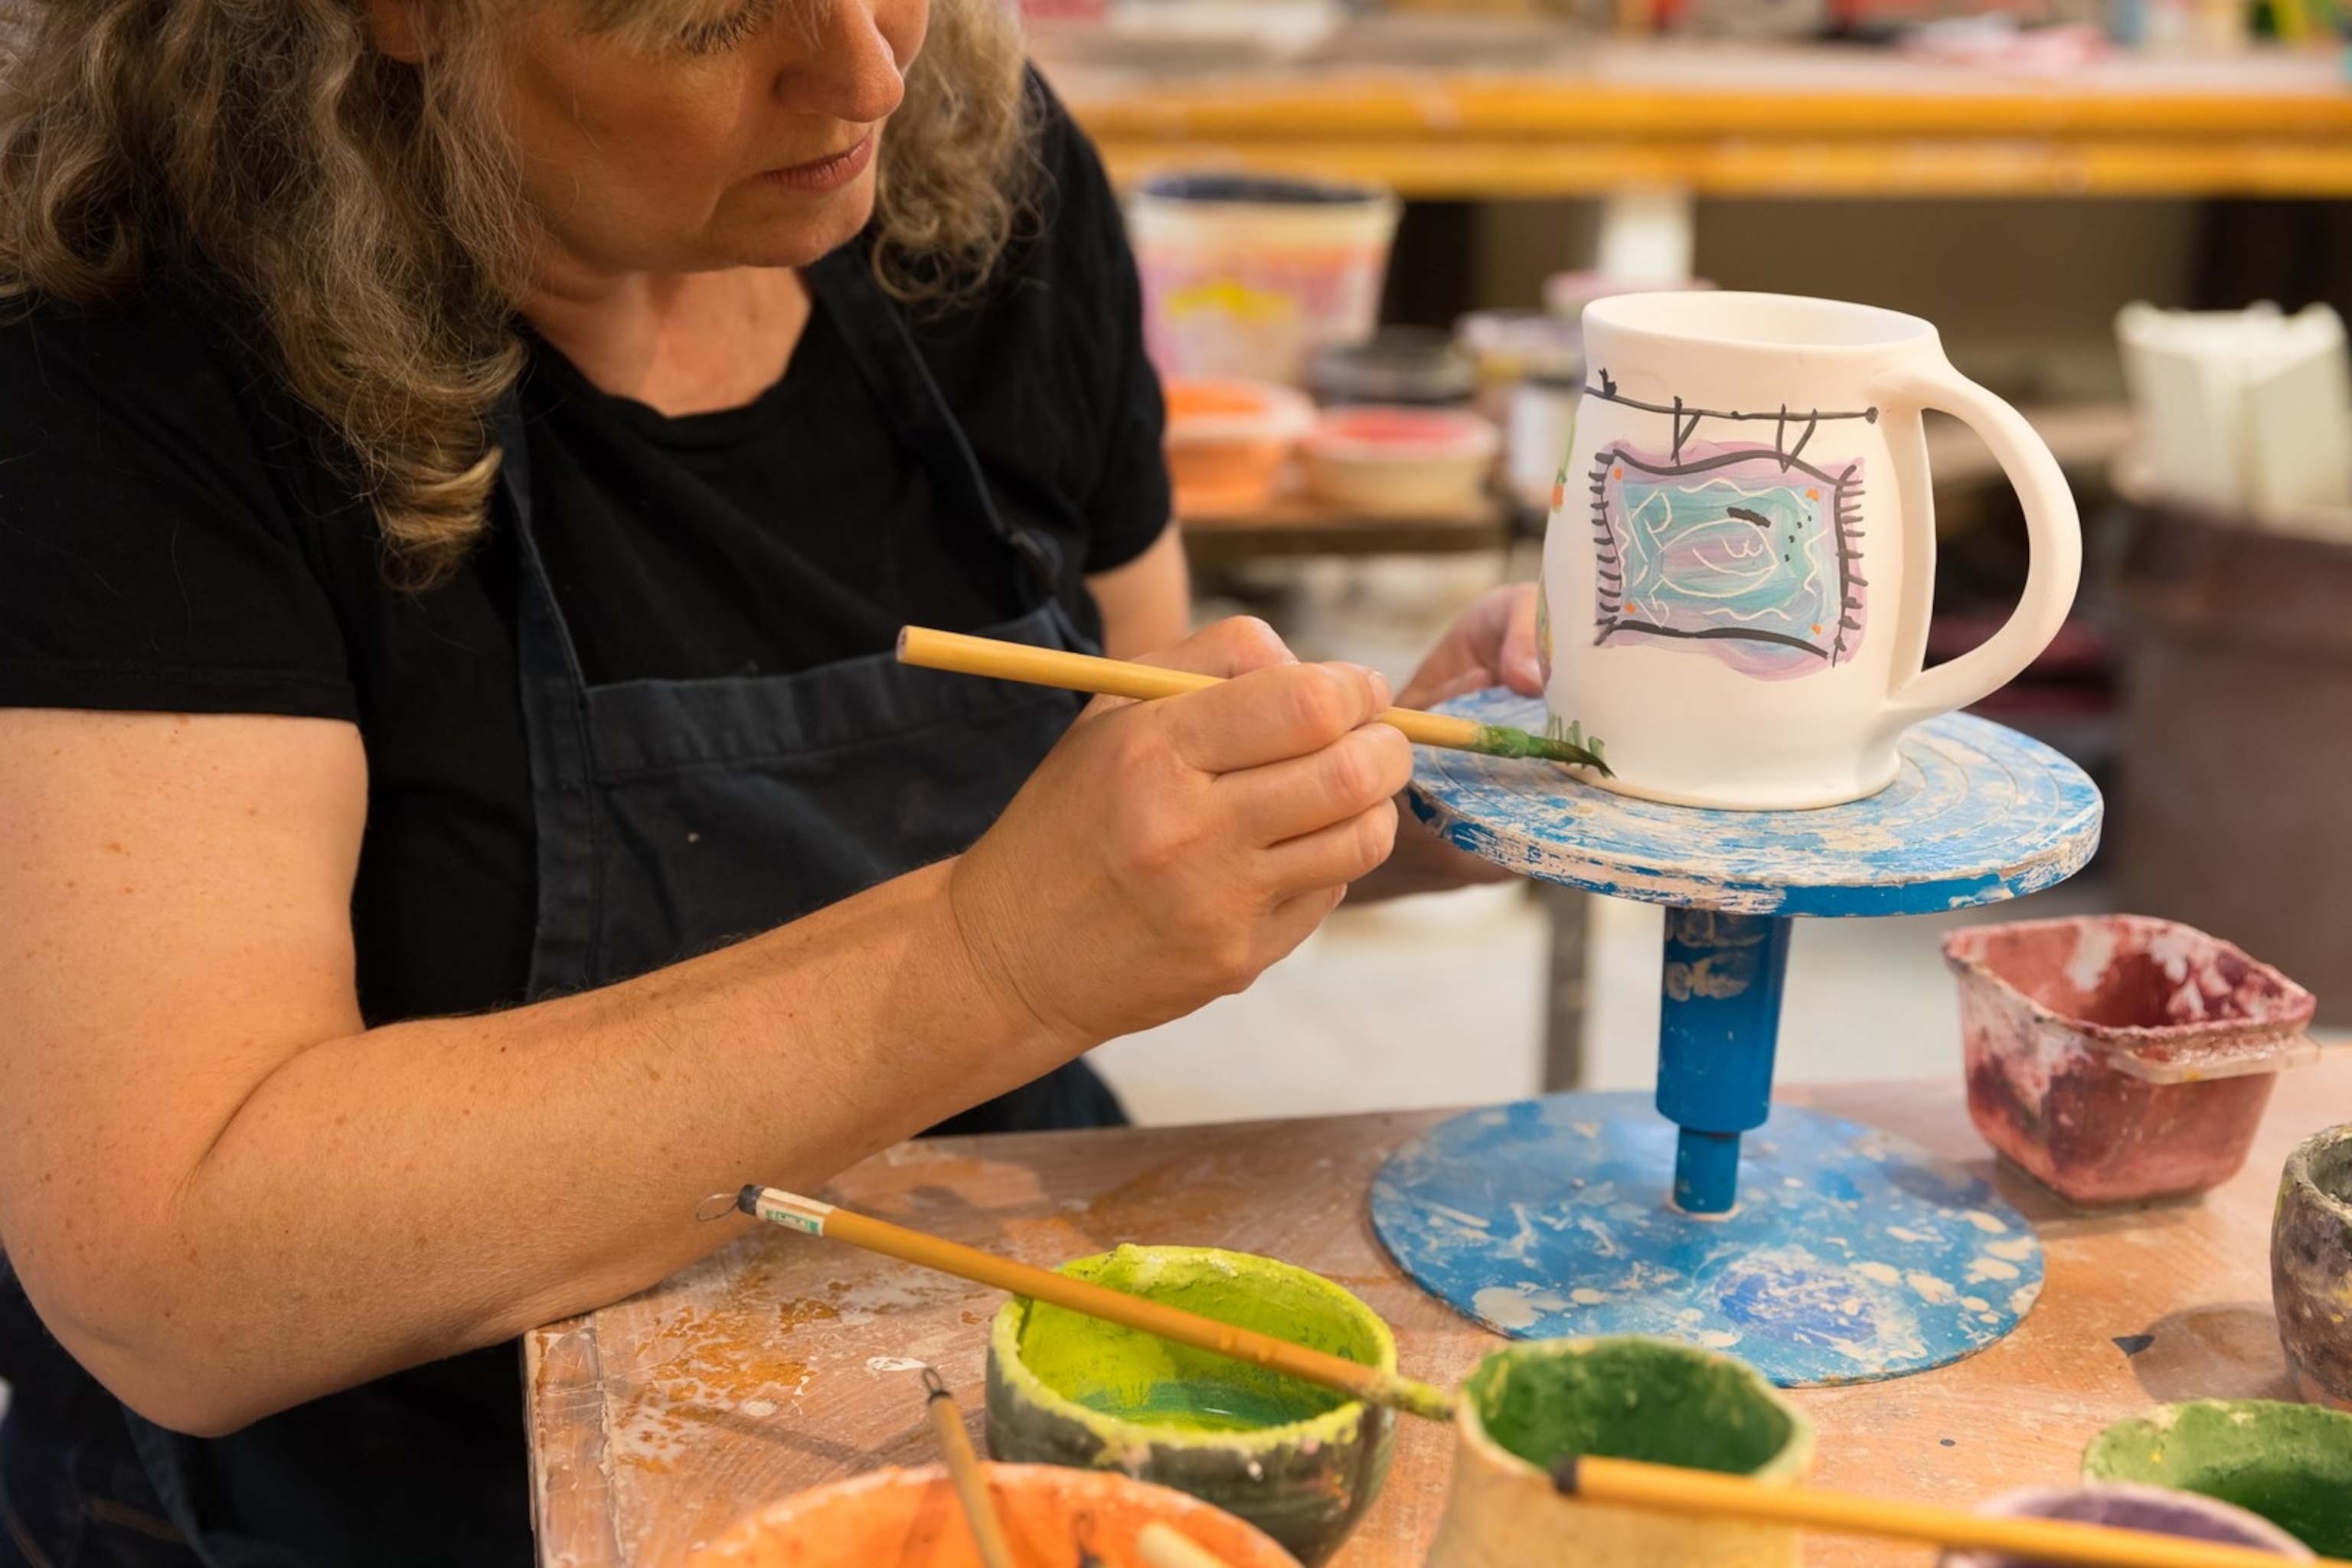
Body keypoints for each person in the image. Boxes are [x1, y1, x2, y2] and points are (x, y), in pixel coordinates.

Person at [0, 1, 1544, 1562]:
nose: (868, 71)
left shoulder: (973, 176)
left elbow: (1146, 727)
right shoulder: (118, 330)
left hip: (990, 1369)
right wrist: (986, 958)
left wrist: (1395, 780)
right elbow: (176, 1268)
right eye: (708, 19)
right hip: (410, 1492)